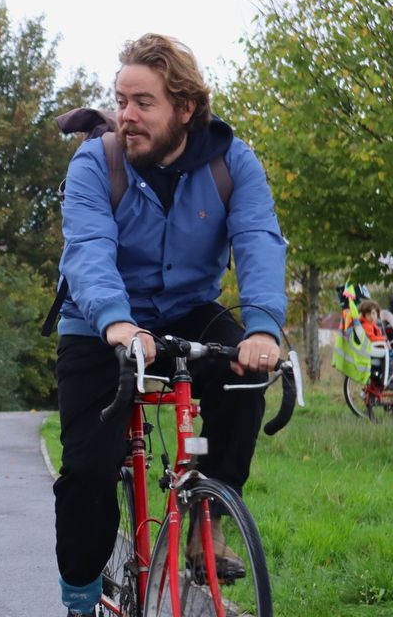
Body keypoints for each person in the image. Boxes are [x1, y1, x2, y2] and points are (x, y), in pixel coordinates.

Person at [51, 33, 286, 617]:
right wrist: (117, 324)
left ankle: (211, 512)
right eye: (120, 100)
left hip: (186, 309)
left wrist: (261, 329)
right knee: (87, 470)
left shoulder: (234, 163)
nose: (125, 116)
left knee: (241, 377)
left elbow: (258, 241)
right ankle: (81, 598)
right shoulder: (95, 161)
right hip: (99, 322)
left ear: (185, 108)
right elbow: (88, 250)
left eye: (142, 103)